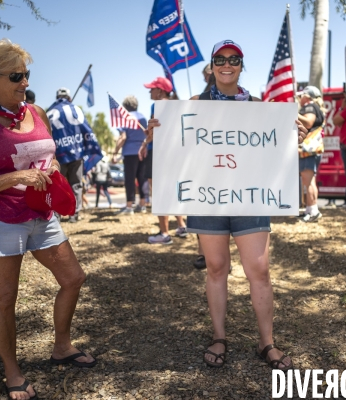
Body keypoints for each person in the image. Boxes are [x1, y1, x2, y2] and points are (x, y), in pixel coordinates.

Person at [145, 40, 307, 371]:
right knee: (217, 268)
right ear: (213, 65)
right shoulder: (194, 104)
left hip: (249, 197)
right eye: (220, 59)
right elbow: (175, 146)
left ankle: (267, 343)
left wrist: (292, 135)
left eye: (234, 59)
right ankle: (219, 337)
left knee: (259, 270)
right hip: (207, 199)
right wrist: (157, 131)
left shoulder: (259, 106)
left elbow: (272, 146)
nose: (226, 64)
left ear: (241, 65)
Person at [0, 40, 95, 400]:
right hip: (0, 219)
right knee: (4, 299)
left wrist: (54, 170)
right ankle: (12, 372)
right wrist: (16, 178)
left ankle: (61, 347)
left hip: (41, 213)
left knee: (73, 278)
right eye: (16, 75)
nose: (24, 81)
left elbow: (51, 154)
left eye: (26, 74)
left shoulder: (36, 111)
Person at [139, 77, 188, 244]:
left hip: (158, 154)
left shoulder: (157, 106)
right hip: (173, 154)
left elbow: (154, 133)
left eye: (152, 89)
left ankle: (164, 233)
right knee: (174, 189)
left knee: (159, 192)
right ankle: (181, 225)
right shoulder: (175, 106)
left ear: (160, 90)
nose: (149, 92)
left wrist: (145, 141)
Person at [47, 88, 95, 223]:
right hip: (76, 153)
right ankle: (74, 214)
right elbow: (86, 128)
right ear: (69, 97)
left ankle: (57, 215)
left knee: (58, 185)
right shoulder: (76, 109)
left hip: (58, 154)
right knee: (76, 184)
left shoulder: (49, 112)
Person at [112, 95, 148, 214]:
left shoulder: (126, 117)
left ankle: (129, 206)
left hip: (130, 152)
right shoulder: (143, 117)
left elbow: (123, 137)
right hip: (142, 151)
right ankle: (142, 204)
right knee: (142, 178)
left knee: (130, 179)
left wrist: (115, 153)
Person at [297, 85, 325, 222]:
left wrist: (293, 113)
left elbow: (308, 123)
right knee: (309, 180)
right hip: (312, 149)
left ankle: (313, 210)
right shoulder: (316, 107)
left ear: (307, 96)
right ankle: (309, 209)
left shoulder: (309, 107)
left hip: (308, 149)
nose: (299, 98)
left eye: (301, 95)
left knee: (308, 181)